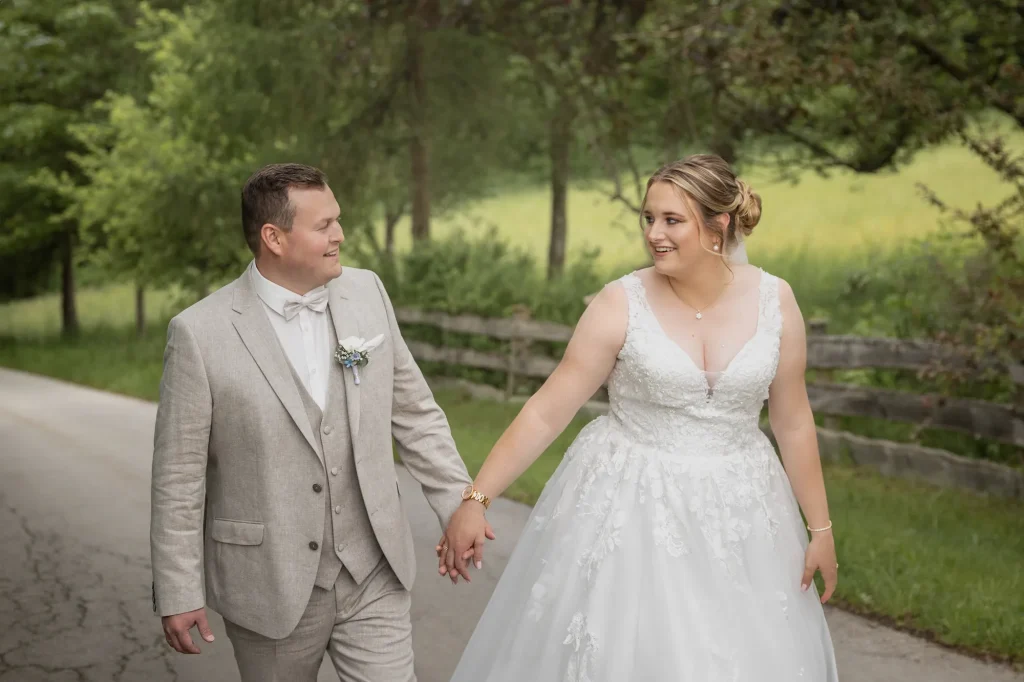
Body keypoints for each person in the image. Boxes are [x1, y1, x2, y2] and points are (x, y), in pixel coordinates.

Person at [442, 154, 840, 680]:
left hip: (742, 512)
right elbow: (546, 411)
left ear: (719, 223)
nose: (655, 234)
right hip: (632, 507)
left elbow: (792, 421)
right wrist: (477, 498)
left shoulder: (776, 301)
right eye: (648, 218)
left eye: (672, 220)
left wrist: (820, 528)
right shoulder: (619, 303)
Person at [150, 163, 491, 682]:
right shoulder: (199, 334)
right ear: (274, 237)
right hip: (269, 587)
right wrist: (178, 589)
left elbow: (417, 414)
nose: (341, 235)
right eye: (324, 225)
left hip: (373, 568)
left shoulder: (367, 293)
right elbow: (178, 479)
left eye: (338, 220)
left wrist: (458, 505)